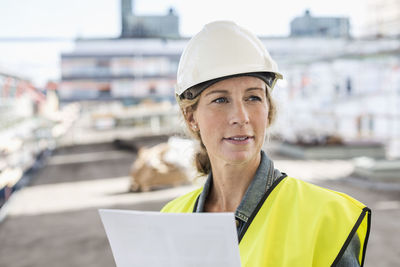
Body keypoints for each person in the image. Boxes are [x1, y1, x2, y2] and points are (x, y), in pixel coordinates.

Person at [161, 21, 371, 267]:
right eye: (220, 100)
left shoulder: (326, 216)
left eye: (253, 97)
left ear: (268, 110)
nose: (241, 116)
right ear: (191, 117)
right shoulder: (171, 218)